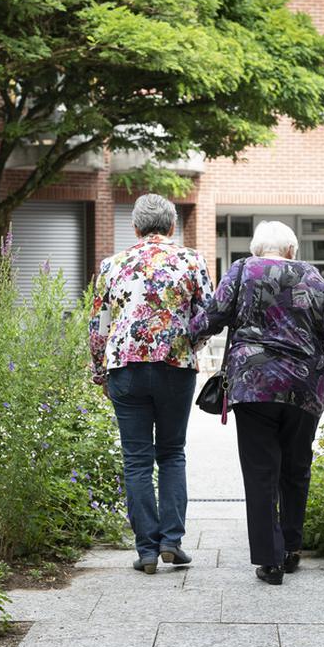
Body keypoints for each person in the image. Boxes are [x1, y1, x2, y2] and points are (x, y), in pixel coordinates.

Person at [190, 220, 324, 586]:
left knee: (261, 472)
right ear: (292, 250)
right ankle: (291, 549)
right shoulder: (311, 276)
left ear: (257, 249)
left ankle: (270, 560)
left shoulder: (243, 270)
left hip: (254, 385)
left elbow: (214, 315)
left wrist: (190, 337)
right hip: (304, 386)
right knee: (296, 468)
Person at [88, 195, 213, 575]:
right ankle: (171, 541)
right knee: (172, 452)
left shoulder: (113, 264)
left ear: (135, 227)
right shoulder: (192, 260)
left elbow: (97, 327)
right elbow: (207, 316)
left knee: (136, 459)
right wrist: (190, 345)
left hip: (125, 367)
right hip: (176, 366)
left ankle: (146, 550)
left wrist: (99, 373)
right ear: (172, 226)